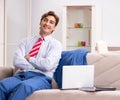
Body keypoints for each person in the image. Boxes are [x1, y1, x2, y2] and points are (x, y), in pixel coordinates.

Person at [0, 11, 62, 100]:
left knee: (24, 86)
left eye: (51, 22)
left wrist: (29, 59)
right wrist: (36, 66)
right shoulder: (25, 41)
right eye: (45, 20)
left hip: (41, 78)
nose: (47, 23)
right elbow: (16, 61)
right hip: (20, 75)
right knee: (2, 85)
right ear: (40, 22)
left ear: (54, 27)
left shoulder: (56, 44)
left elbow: (48, 65)